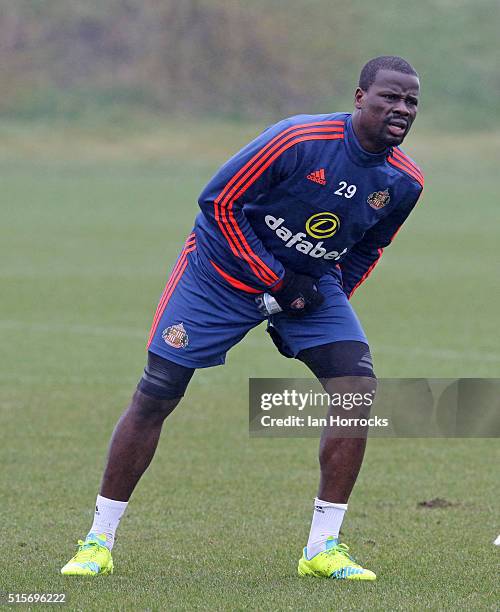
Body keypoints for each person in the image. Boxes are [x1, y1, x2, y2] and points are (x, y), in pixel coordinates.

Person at [61, 55, 423, 580]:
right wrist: (275, 278)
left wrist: (322, 297)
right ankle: (98, 540)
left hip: (308, 284)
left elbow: (368, 247)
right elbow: (219, 203)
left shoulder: (404, 182)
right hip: (218, 274)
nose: (401, 108)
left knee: (356, 389)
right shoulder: (297, 139)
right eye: (390, 96)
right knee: (158, 391)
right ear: (359, 97)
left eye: (411, 101)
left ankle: (322, 549)